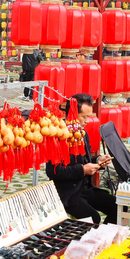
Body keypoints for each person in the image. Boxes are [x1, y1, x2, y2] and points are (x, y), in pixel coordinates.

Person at [46, 93, 116, 224]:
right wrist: (82, 170)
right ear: (72, 114)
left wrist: (97, 161)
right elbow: (52, 171)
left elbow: (83, 160)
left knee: (116, 206)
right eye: (84, 116)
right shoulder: (58, 136)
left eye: (89, 116)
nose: (87, 121)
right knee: (94, 218)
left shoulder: (83, 134)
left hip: (85, 188)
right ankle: (85, 242)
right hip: (67, 192)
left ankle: (103, 237)